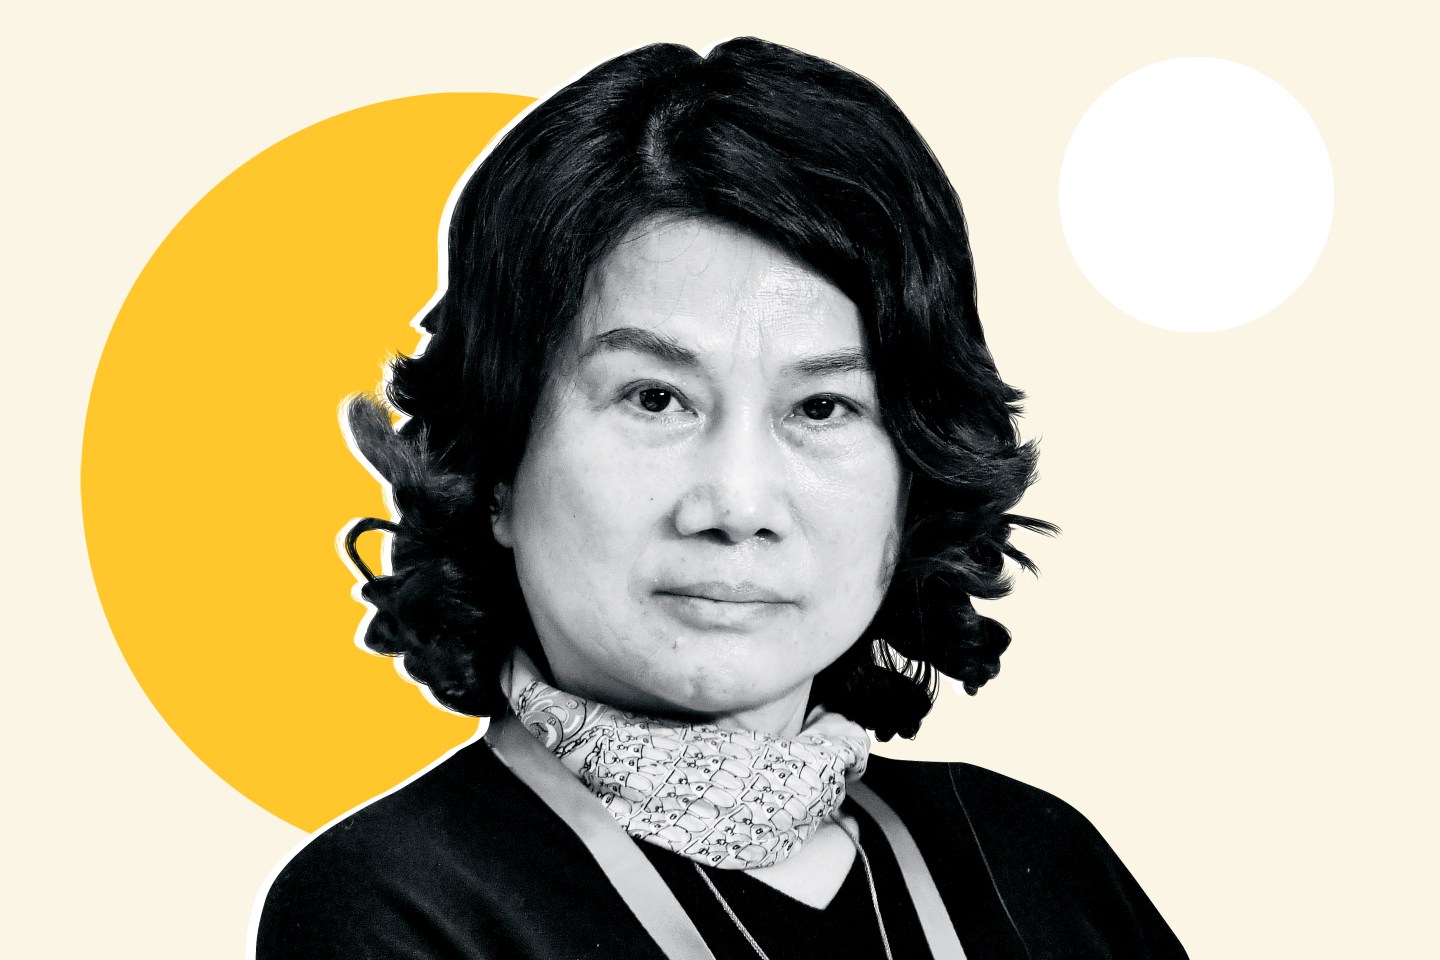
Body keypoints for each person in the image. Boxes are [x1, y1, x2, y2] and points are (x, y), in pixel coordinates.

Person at [254, 37, 1187, 960]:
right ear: (495, 466)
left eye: (821, 407)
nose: (737, 507)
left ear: (917, 475)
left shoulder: (1041, 862)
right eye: (655, 399)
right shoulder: (392, 906)